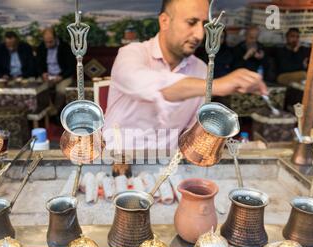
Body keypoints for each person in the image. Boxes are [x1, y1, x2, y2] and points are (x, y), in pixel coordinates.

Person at [103, 0, 267, 151]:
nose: (200, 35)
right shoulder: (132, 53)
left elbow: (190, 131)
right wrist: (216, 85)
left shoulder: (201, 69)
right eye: (191, 22)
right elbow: (142, 82)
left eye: (204, 25)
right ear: (164, 21)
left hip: (169, 166)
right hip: (117, 160)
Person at [36, 27, 76, 111]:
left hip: (63, 76)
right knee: (38, 88)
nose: (48, 44)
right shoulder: (41, 47)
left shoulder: (65, 47)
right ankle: (44, 109)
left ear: (55, 38)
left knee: (61, 91)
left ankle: (55, 111)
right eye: (46, 42)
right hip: (47, 76)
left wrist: (61, 76)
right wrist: (43, 73)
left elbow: (71, 67)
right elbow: (38, 64)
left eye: (50, 41)